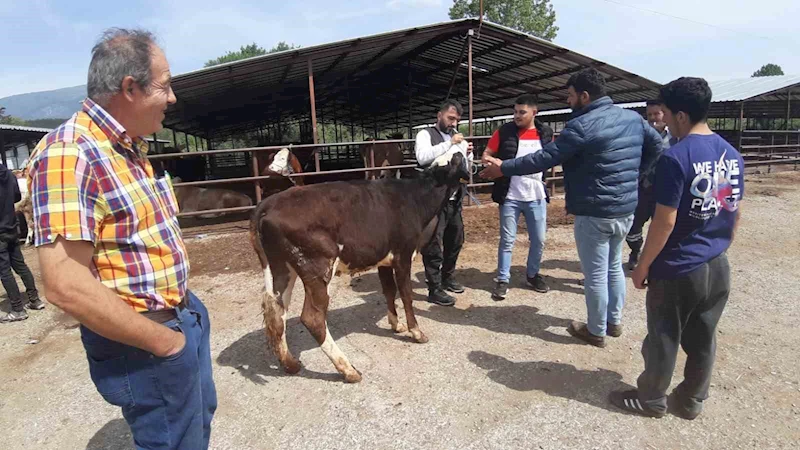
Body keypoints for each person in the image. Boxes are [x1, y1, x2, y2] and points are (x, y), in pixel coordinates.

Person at [27, 28, 217, 449]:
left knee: (195, 429)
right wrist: (167, 345)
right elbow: (65, 284)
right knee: (173, 441)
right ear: (130, 88)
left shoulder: (127, 148)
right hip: (146, 342)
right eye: (165, 85)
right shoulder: (70, 154)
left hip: (179, 316)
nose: (172, 98)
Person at [480, 68, 662, 347]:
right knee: (614, 265)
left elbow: (543, 159)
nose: (568, 100)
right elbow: (657, 146)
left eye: (570, 95)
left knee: (595, 273)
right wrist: (635, 177)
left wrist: (503, 168)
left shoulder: (582, 126)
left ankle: (595, 329)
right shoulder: (633, 119)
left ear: (585, 96)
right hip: (625, 208)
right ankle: (614, 321)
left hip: (594, 210)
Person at [610, 77, 743, 420]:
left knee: (664, 336)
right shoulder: (731, 154)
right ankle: (691, 400)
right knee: (703, 337)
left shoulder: (675, 158)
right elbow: (732, 210)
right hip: (716, 263)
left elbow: (663, 222)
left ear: (681, 115)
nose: (663, 120)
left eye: (666, 114)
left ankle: (651, 399)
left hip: (679, 267)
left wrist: (643, 266)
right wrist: (720, 245)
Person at [480, 94, 554, 300]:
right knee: (507, 240)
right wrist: (495, 164)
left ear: (534, 112)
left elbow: (551, 158)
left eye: (522, 112)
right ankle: (503, 279)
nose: (517, 116)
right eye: (515, 112)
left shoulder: (545, 133)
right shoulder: (504, 132)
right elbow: (486, 155)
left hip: (536, 195)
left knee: (538, 239)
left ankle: (532, 274)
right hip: (510, 195)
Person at [415, 99, 473, 306]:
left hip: (454, 198)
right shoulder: (425, 134)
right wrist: (450, 143)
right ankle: (434, 288)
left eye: (456, 119)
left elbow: (465, 167)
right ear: (439, 115)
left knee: (455, 240)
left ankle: (448, 277)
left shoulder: (456, 138)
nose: (453, 123)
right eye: (450, 118)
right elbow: (422, 158)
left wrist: (468, 154)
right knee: (433, 244)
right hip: (433, 201)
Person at [626, 100, 675, 270]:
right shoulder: (640, 136)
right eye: (649, 115)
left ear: (664, 114)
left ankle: (657, 258)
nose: (653, 118)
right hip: (642, 188)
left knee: (662, 225)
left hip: (666, 189)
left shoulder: (675, 137)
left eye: (657, 114)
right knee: (633, 226)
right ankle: (635, 251)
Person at [0, 163, 45, 322]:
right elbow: (17, 198)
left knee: (4, 271)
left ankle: (18, 309)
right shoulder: (9, 174)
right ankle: (35, 300)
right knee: (21, 266)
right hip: (12, 227)